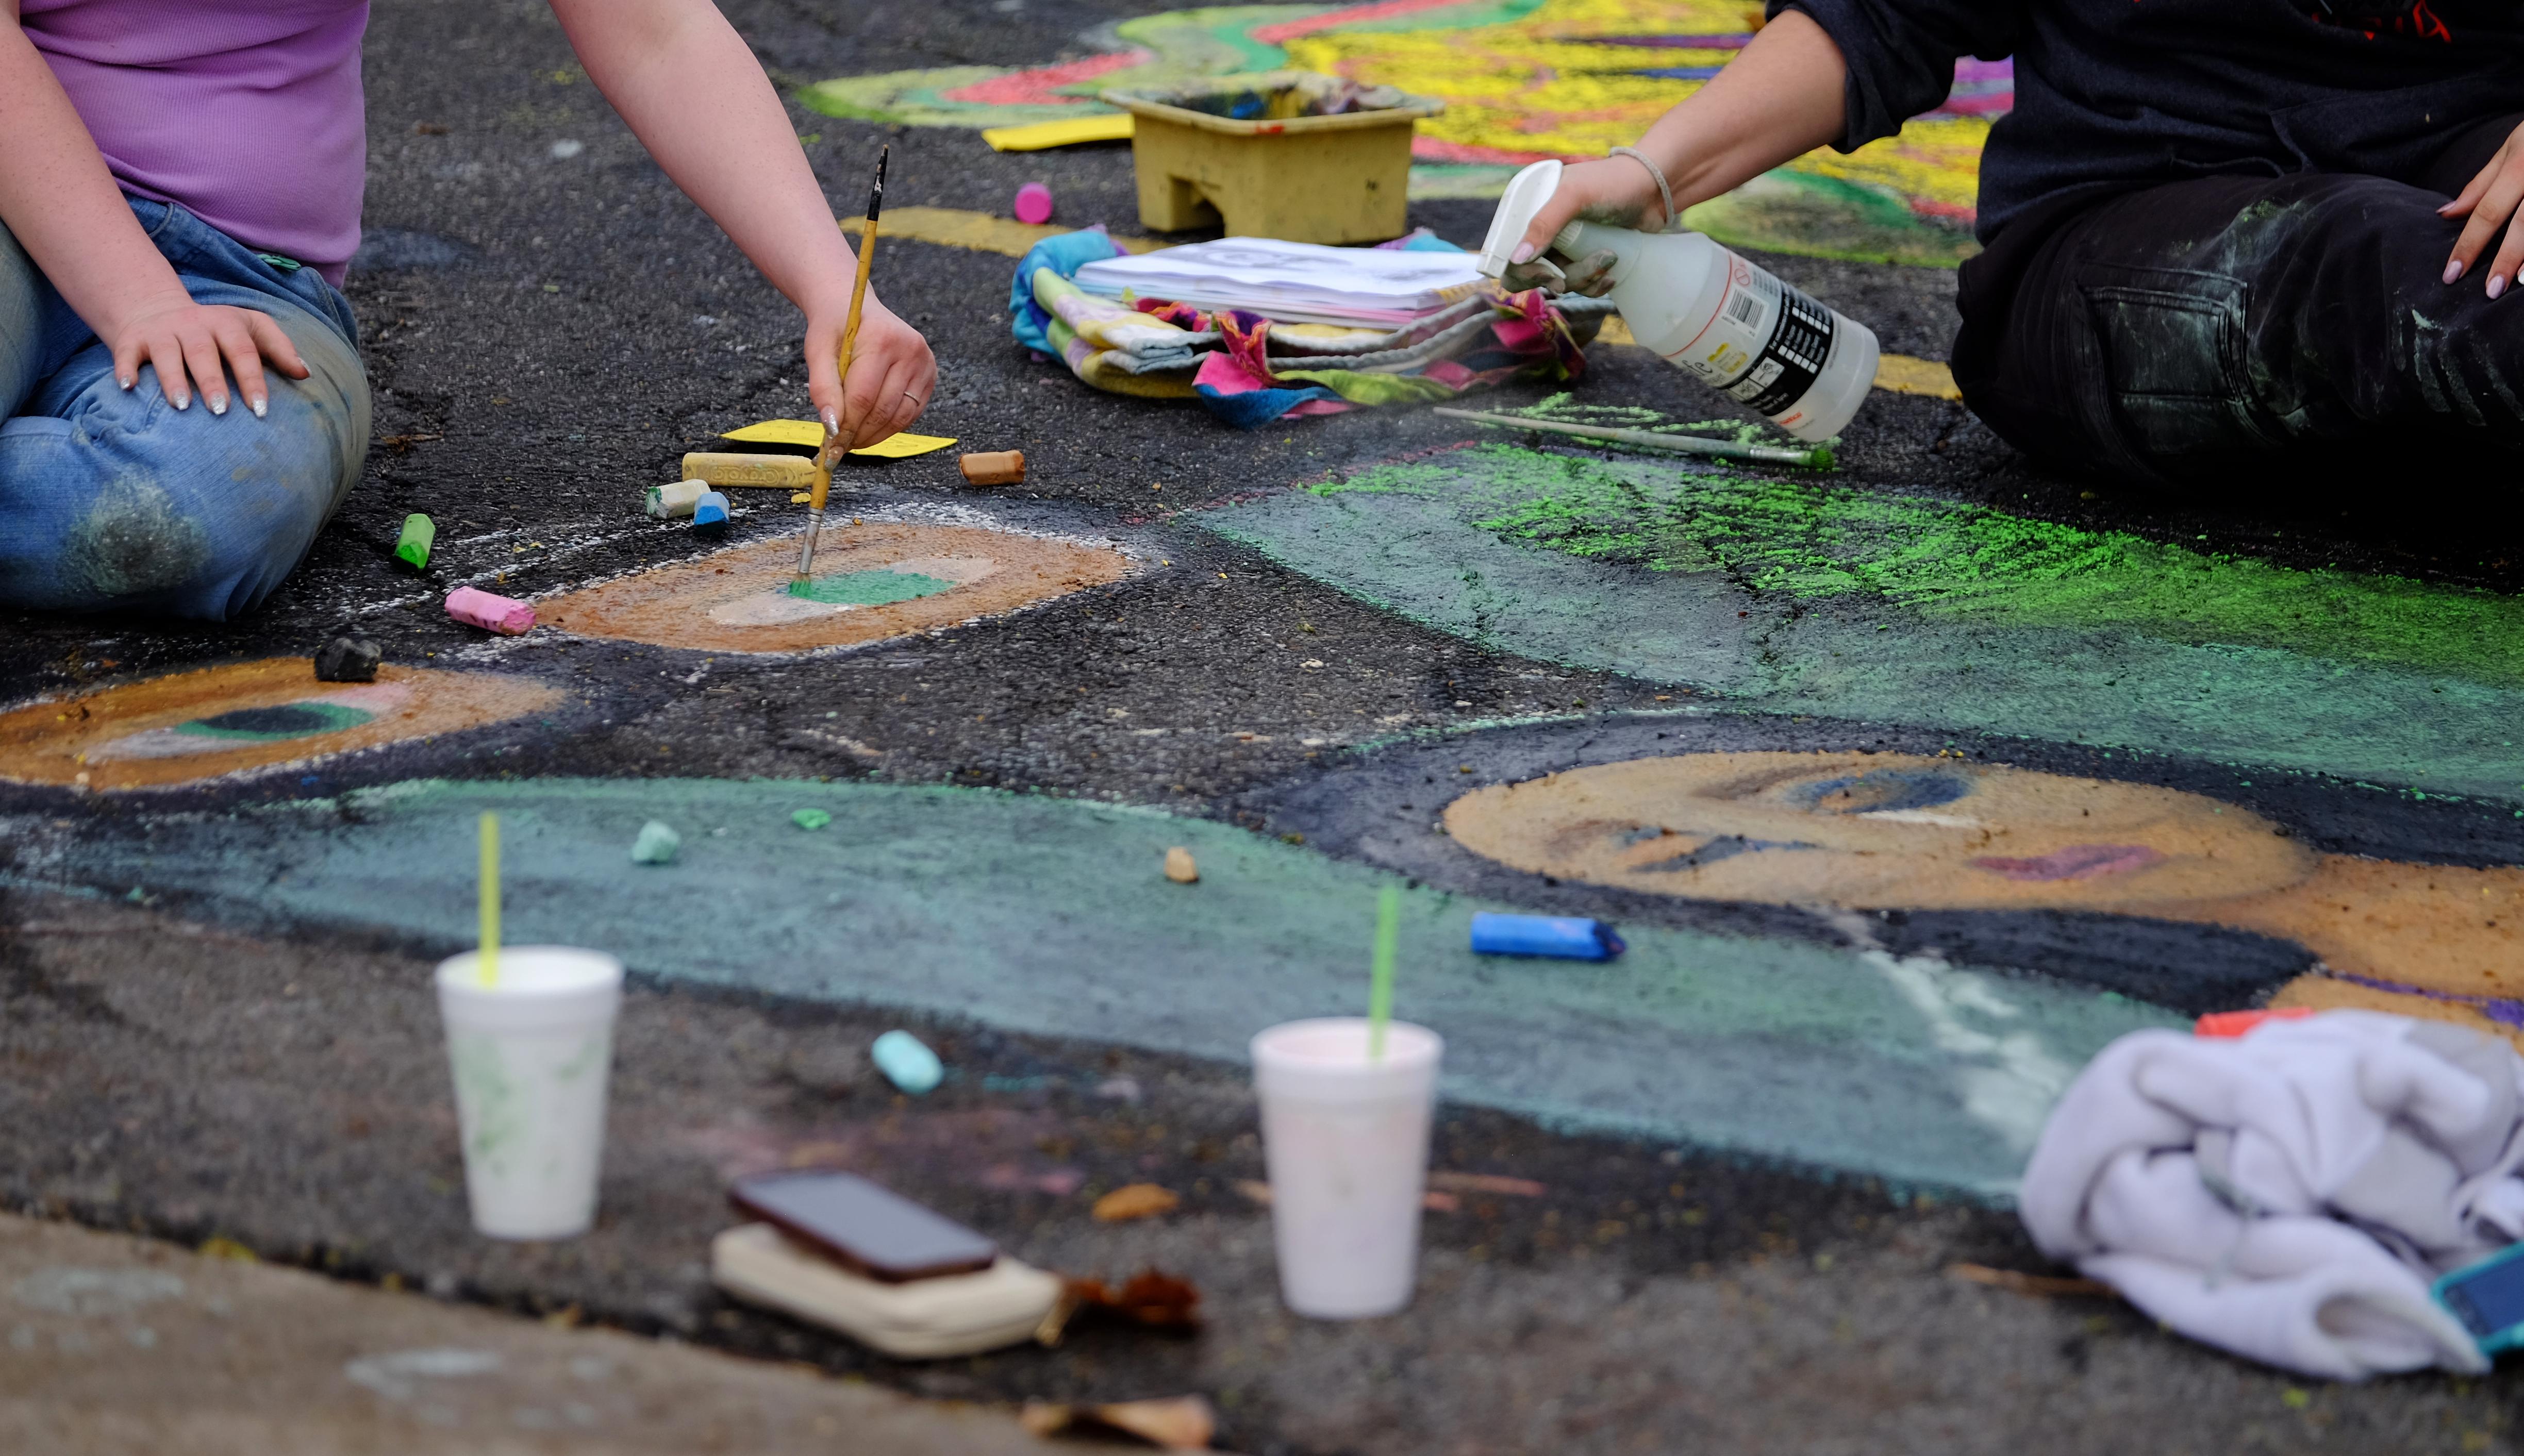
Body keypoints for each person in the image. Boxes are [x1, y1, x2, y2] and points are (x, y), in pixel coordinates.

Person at [0, 0, 934, 620]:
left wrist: (831, 287)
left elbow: (657, 32)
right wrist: (138, 299)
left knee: (182, 511)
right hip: (16, 219)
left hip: (245, 282)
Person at [1510, 1, 2524, 490]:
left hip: (2455, 169)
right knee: (2369, 266)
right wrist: (1651, 172)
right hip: (2123, 228)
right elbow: (1879, 19)